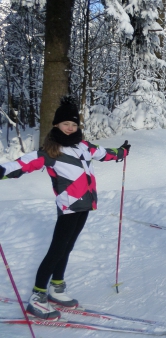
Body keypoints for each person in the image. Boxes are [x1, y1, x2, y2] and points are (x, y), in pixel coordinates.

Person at [0, 96, 131, 320]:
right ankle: (38, 297)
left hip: (85, 205)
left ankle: (56, 287)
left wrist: (122, 152)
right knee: (56, 250)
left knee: (68, 247)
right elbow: (22, 164)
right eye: (65, 124)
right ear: (56, 126)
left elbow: (105, 153)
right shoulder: (50, 152)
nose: (70, 128)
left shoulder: (85, 147)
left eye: (73, 124)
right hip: (69, 206)